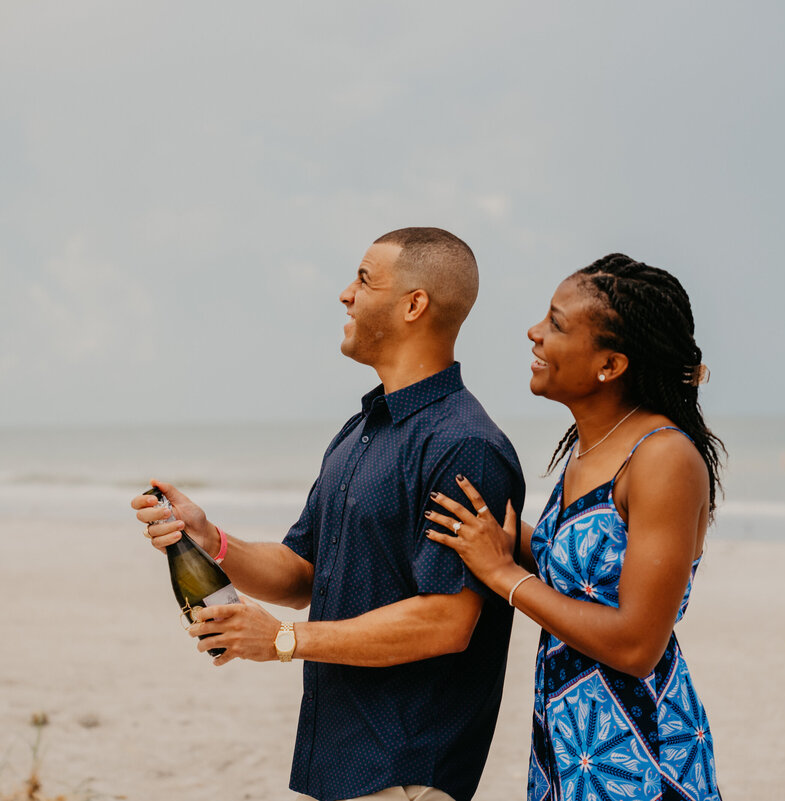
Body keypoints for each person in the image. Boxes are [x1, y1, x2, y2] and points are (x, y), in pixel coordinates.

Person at [132, 227, 525, 801]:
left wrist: (284, 640)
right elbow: (301, 575)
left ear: (414, 304)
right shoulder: (361, 432)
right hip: (339, 762)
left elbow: (447, 621)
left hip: (407, 773)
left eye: (364, 279)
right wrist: (211, 539)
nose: (345, 293)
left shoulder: (461, 445)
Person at [426, 254, 724, 801]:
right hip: (571, 735)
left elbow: (638, 645)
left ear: (609, 365)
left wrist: (505, 577)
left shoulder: (662, 458)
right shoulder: (593, 449)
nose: (534, 333)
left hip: (635, 746)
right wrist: (504, 537)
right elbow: (584, 576)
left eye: (557, 324)